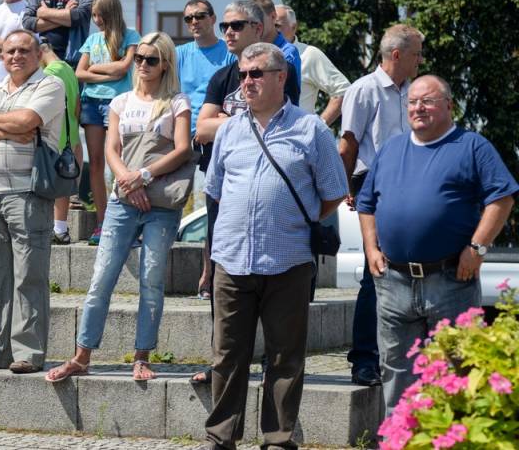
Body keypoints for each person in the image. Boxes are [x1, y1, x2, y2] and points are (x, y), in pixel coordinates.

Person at [200, 43, 347, 450]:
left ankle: (279, 440)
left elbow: (334, 191)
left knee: (285, 357)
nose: (246, 81)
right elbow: (215, 191)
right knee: (227, 356)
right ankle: (220, 437)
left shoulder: (311, 129)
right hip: (232, 260)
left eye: (256, 74)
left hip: (288, 261)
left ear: (281, 77)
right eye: (243, 74)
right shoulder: (229, 129)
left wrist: (295, 216)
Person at [356, 75, 518, 413]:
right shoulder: (391, 149)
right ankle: (400, 436)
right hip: (394, 282)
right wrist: (371, 248)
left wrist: (478, 248)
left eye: (427, 101)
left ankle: (453, 435)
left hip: (450, 280)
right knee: (396, 369)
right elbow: (366, 203)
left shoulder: (472, 146)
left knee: (457, 368)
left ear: (448, 105)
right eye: (413, 102)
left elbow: (502, 198)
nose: (418, 108)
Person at [45, 32, 192, 383]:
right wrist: (128, 180)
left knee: (151, 278)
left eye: (151, 59)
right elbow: (111, 149)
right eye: (139, 58)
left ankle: (142, 356)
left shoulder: (177, 102)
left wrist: (143, 176)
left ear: (165, 64)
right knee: (101, 278)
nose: (142, 64)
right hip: (123, 198)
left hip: (160, 201)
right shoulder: (121, 101)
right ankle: (82, 355)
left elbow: (183, 149)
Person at [191, 0, 300, 383]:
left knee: (273, 285)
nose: (228, 32)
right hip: (224, 187)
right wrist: (242, 121)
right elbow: (202, 129)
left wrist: (227, 121)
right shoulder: (223, 77)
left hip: (270, 192)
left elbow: (279, 120)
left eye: (236, 25)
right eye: (224, 26)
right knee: (220, 279)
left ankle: (273, 362)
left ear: (258, 28)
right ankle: (221, 363)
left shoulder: (280, 71)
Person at [0, 29, 65, 374]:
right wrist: (7, 129)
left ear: (37, 54)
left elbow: (28, 120)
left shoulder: (49, 85)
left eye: (23, 50)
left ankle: (28, 353)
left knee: (29, 277)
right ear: (1, 57)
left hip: (28, 192)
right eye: (9, 51)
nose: (16, 56)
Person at [339, 23, 424, 387]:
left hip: (412, 186)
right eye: (417, 54)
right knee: (377, 272)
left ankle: (402, 355)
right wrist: (347, 189)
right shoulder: (364, 89)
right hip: (376, 185)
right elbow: (348, 144)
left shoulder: (413, 91)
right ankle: (364, 359)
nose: (421, 60)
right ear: (397, 55)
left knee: (410, 271)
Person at [76, 0, 140, 245]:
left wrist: (95, 69)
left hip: (118, 103)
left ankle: (123, 220)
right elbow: (80, 73)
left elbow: (124, 67)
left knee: (120, 162)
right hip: (91, 103)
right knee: (95, 163)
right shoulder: (92, 40)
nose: (96, 20)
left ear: (111, 13)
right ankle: (102, 222)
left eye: (99, 15)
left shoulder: (131, 36)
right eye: (93, 15)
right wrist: (105, 73)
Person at [275, 4, 348, 125]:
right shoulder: (259, 55)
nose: (272, 30)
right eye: (269, 25)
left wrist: (319, 126)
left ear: (294, 27)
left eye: (277, 25)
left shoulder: (309, 54)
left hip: (299, 134)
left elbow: (343, 91)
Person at [40, 41, 83, 245]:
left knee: (49, 184)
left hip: (55, 135)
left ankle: (51, 228)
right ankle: (61, 228)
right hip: (71, 134)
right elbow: (77, 106)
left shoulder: (49, 73)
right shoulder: (68, 69)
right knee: (64, 182)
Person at [176, 0, 235, 135]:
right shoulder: (178, 54)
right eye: (188, 19)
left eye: (200, 16)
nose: (194, 22)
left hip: (216, 134)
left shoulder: (231, 53)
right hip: (183, 135)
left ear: (213, 19)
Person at [251, 0, 301, 90]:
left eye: (259, 18)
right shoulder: (249, 49)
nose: (255, 24)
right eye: (251, 20)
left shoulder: (287, 52)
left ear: (273, 17)